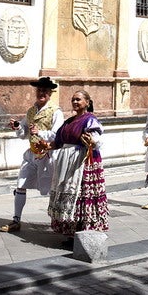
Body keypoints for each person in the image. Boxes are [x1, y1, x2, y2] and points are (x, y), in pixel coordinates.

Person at [0, 77, 65, 233]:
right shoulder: (31, 111)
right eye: (39, 90)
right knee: (21, 184)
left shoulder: (56, 112)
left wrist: (40, 132)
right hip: (31, 154)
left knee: (52, 189)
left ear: (50, 93)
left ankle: (58, 221)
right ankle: (16, 220)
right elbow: (23, 134)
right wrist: (17, 127)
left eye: (44, 91)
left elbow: (58, 135)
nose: (41, 93)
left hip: (48, 155)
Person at [47, 90, 108, 239]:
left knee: (81, 195)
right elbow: (59, 141)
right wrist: (46, 146)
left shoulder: (90, 119)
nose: (74, 102)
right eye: (73, 99)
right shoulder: (68, 122)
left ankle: (84, 231)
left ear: (87, 102)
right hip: (66, 163)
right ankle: (70, 232)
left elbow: (97, 138)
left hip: (82, 162)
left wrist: (93, 141)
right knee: (68, 193)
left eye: (78, 100)